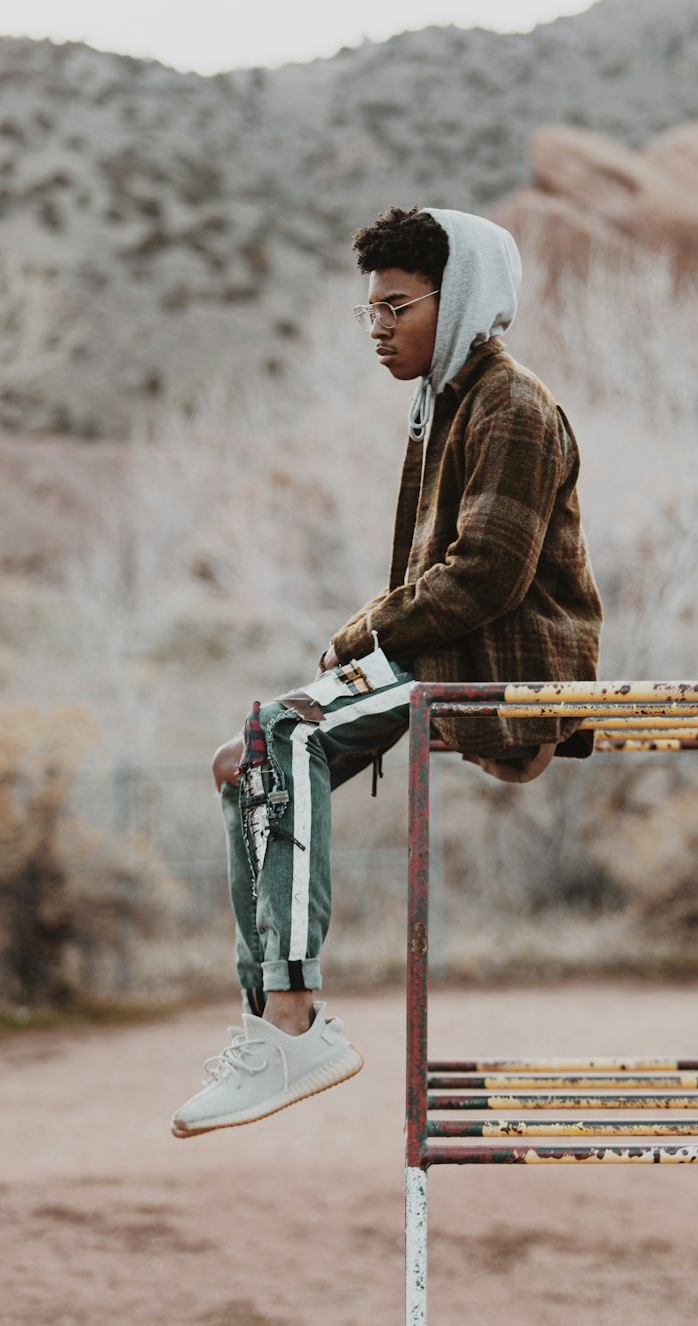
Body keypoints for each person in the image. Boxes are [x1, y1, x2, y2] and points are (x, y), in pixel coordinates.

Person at [171, 205, 603, 1138]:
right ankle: (270, 1020)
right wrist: (375, 641)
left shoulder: (512, 405)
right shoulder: (445, 403)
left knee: (279, 732)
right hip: (438, 652)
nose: (377, 328)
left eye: (396, 307)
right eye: (369, 311)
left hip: (500, 662)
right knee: (240, 760)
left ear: (459, 304)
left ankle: (293, 1019)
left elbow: (487, 573)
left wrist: (363, 632)